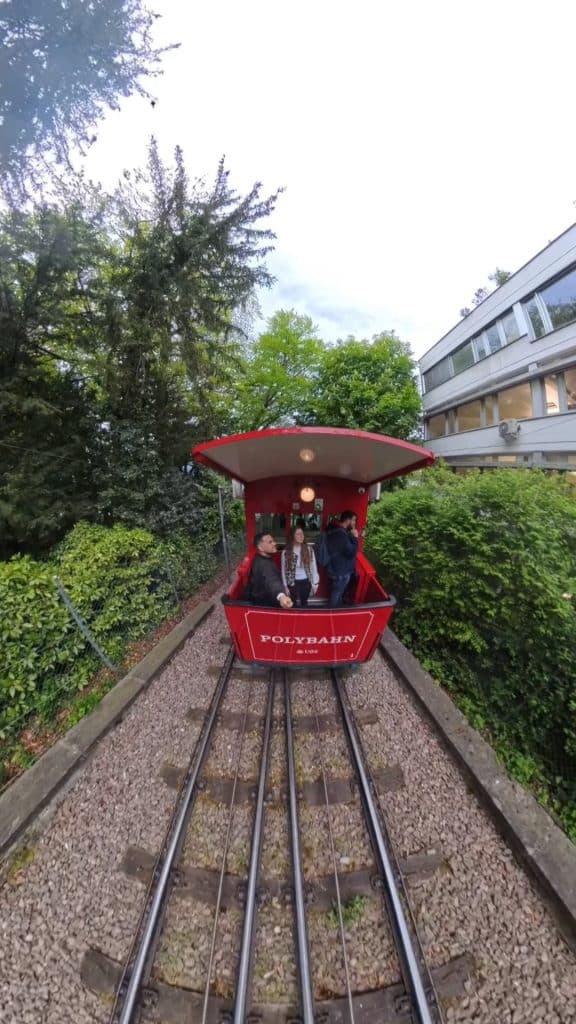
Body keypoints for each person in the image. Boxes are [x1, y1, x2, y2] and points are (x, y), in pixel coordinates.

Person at [245, 533, 293, 608]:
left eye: (273, 541)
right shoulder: (265, 565)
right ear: (260, 547)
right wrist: (281, 596)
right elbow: (271, 580)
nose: (274, 543)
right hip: (266, 605)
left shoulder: (260, 558)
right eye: (270, 542)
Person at [326, 509, 359, 607]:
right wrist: (355, 538)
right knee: (337, 594)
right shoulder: (340, 533)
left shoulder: (335, 530)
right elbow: (351, 552)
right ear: (348, 520)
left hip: (336, 568)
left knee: (337, 593)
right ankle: (331, 612)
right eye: (353, 520)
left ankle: (336, 610)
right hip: (341, 571)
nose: (354, 523)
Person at [281, 526, 320, 607]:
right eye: (298, 534)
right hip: (292, 582)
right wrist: (285, 586)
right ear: (292, 536)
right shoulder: (286, 552)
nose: (301, 536)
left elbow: (314, 567)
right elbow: (283, 570)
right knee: (292, 603)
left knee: (304, 602)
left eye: (302, 533)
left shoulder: (309, 549)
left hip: (306, 581)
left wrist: (315, 584)